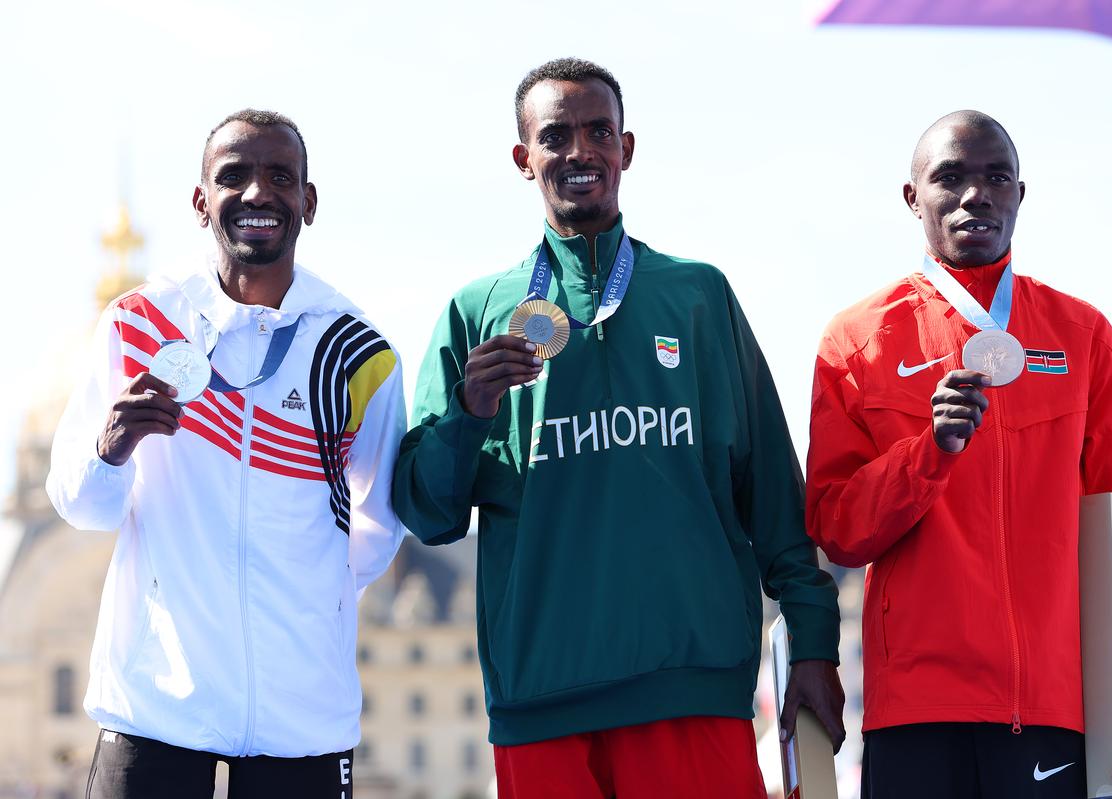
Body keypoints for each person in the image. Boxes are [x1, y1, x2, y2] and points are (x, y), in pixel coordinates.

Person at [393, 57, 843, 797]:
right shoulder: (477, 312)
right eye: (556, 135)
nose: (580, 151)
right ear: (523, 158)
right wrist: (468, 415)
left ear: (626, 149)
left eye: (599, 131)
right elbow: (429, 514)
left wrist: (815, 648)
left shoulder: (698, 296)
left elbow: (772, 496)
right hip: (541, 701)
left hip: (691, 691)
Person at [805, 110, 1112, 799]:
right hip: (914, 716)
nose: (975, 194)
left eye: (995, 177)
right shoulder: (857, 340)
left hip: (1053, 711)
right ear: (911, 197)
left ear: (1019, 194)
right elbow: (835, 527)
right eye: (949, 177)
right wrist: (930, 452)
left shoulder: (1082, 336)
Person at [46, 109, 405, 799]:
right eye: (233, 176)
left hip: (303, 724)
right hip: (153, 712)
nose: (257, 194)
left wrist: (306, 598)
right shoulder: (137, 323)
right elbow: (81, 506)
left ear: (308, 200)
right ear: (200, 200)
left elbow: (379, 526)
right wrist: (110, 447)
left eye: (279, 177)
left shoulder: (359, 351)